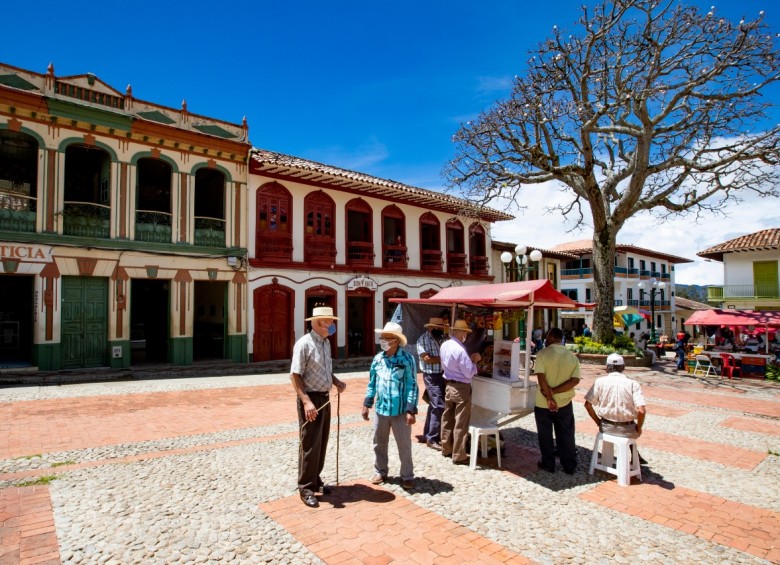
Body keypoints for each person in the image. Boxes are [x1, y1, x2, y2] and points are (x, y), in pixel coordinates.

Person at [290, 306, 347, 508]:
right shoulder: (304, 344)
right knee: (310, 444)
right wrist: (306, 401)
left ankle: (316, 480)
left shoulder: (326, 343)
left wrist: (336, 382)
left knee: (322, 441)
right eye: (329, 321)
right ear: (318, 323)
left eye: (332, 321)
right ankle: (305, 487)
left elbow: (325, 370)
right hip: (311, 398)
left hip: (325, 398)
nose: (331, 325)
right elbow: (295, 375)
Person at [362, 322, 419, 489]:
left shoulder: (407, 359)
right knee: (379, 442)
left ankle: (407, 475)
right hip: (381, 408)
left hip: (400, 410)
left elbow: (412, 385)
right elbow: (372, 382)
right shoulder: (378, 359)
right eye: (382, 337)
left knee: (404, 444)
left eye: (386, 338)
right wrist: (367, 402)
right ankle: (380, 470)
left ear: (395, 340)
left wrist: (411, 409)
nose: (383, 341)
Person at [584, 353, 647, 464]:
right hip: (628, 430)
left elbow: (587, 405)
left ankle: (632, 456)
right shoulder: (633, 384)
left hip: (606, 427)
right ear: (623, 367)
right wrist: (639, 428)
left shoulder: (600, 382)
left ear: (607, 367)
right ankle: (635, 456)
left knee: (624, 428)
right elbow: (641, 411)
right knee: (630, 428)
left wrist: (598, 422)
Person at [533, 327, 581, 474]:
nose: (545, 339)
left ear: (552, 337)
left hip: (543, 402)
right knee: (566, 433)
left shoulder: (542, 354)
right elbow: (575, 380)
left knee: (545, 434)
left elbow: (541, 378)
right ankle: (569, 465)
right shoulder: (572, 357)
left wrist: (549, 396)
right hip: (565, 402)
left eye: (547, 337)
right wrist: (555, 392)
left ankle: (548, 463)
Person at [439, 319, 481, 465]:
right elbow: (469, 373)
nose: (465, 335)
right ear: (460, 332)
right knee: (460, 422)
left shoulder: (445, 345)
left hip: (449, 384)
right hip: (461, 387)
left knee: (447, 418)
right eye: (465, 332)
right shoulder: (460, 350)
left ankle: (446, 448)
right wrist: (475, 361)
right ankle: (459, 454)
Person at [416, 317, 446, 450]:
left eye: (441, 327)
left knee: (433, 405)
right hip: (431, 375)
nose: (440, 330)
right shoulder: (423, 339)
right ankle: (432, 438)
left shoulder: (441, 338)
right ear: (430, 328)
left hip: (441, 374)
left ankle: (427, 434)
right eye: (438, 327)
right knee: (439, 405)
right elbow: (428, 359)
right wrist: (445, 358)